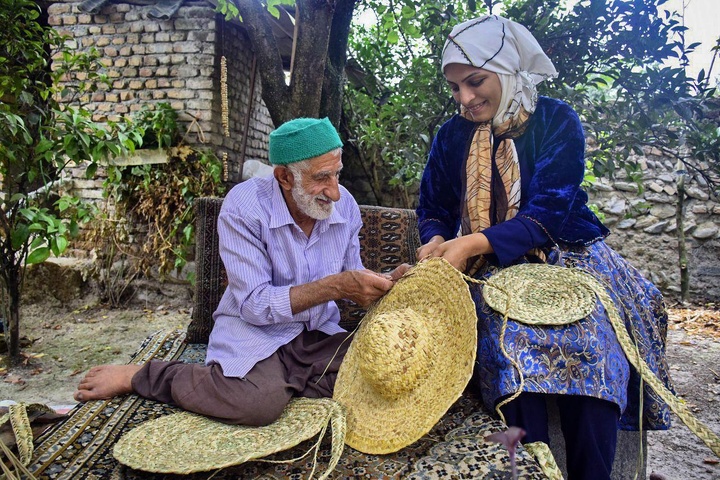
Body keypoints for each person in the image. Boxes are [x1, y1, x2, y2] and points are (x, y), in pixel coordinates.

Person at [416, 15, 673, 480]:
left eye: (475, 82)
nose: (466, 98)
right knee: (508, 337)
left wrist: (471, 240)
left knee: (594, 336)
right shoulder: (451, 136)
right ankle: (531, 470)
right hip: (489, 263)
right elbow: (432, 205)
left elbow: (548, 213)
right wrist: (435, 239)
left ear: (509, 69)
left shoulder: (556, 121)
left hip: (567, 250)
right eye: (455, 88)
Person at [74, 117, 408, 426]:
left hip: (315, 334)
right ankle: (145, 376)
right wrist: (335, 287)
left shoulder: (344, 205)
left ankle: (284, 380)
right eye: (322, 178)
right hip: (255, 332)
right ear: (284, 177)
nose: (334, 191)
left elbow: (353, 274)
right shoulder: (244, 207)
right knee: (256, 406)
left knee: (383, 372)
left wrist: (387, 282)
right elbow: (255, 305)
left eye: (337, 174)